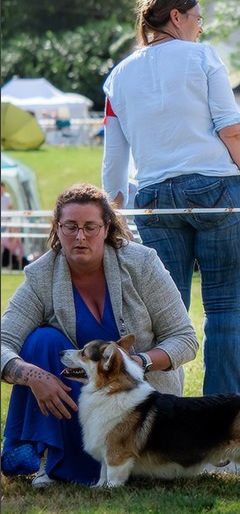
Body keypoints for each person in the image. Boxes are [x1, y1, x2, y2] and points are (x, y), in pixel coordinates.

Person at [102, 0, 240, 396]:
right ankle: (224, 425)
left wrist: (114, 209)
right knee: (224, 310)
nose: (201, 27)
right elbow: (232, 128)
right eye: (197, 18)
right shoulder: (202, 57)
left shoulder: (117, 76)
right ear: (176, 17)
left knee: (163, 315)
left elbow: (114, 156)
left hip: (155, 196)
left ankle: (159, 420)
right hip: (216, 188)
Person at [0, 184, 198, 487]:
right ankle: (51, 459)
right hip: (77, 406)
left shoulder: (142, 264)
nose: (80, 237)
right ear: (57, 228)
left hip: (140, 410)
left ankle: (131, 459)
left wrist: (138, 362)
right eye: (70, 227)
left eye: (90, 227)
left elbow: (184, 338)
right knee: (42, 341)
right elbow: (3, 342)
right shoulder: (42, 276)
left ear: (107, 228)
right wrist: (33, 377)